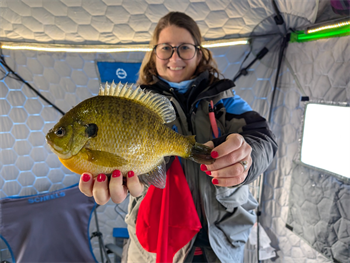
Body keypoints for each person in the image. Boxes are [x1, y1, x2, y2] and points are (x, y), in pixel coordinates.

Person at [79, 11, 277, 263]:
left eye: (184, 47)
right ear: (154, 54)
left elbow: (264, 138)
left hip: (221, 244)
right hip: (156, 240)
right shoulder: (135, 104)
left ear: (199, 53)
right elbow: (134, 168)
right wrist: (110, 170)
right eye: (166, 48)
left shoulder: (225, 99)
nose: (175, 57)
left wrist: (247, 159)